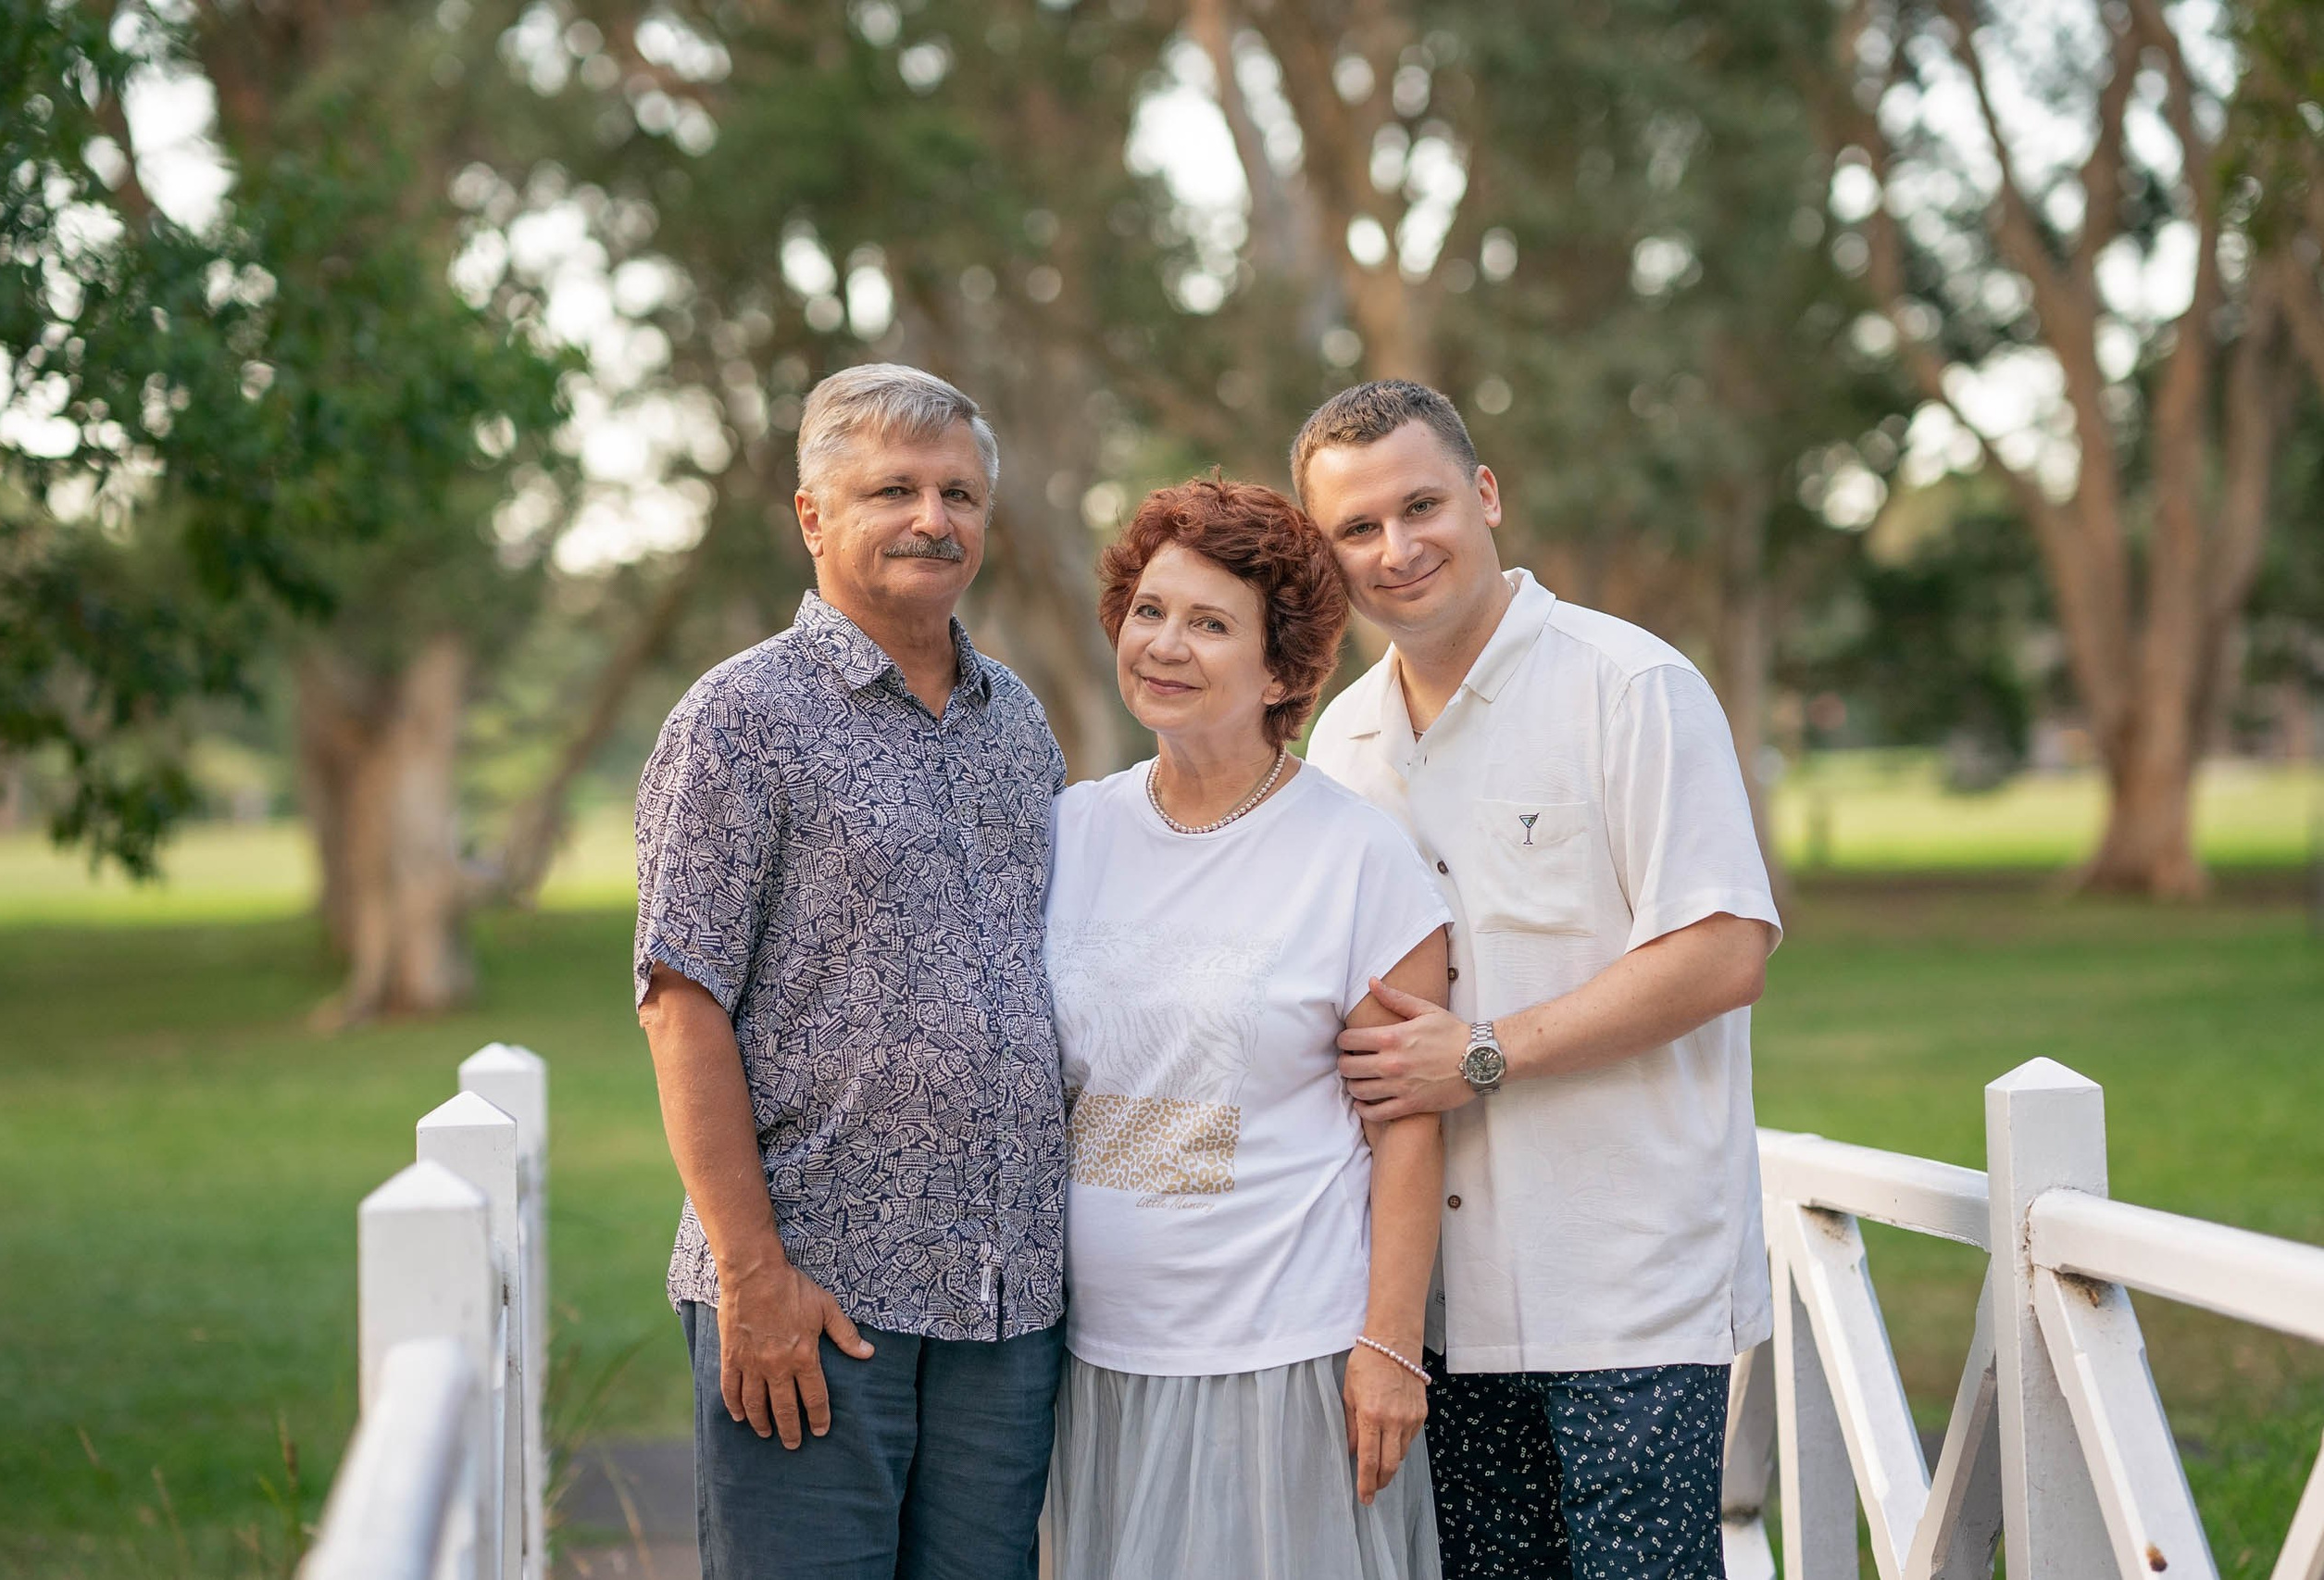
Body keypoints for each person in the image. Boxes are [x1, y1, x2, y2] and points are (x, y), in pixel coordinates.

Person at [1294, 380, 1782, 1579]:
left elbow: (1726, 945)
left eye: (1422, 506)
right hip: (1441, 1314)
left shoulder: (1629, 687)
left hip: (1624, 1286)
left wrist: (1483, 1049)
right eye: (1358, 529)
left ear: (1487, 494)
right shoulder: (1343, 743)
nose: (1397, 549)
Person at [631, 364, 1067, 1580]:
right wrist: (752, 1274)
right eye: (894, 489)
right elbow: (681, 1001)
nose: (935, 518)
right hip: (818, 1299)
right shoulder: (738, 720)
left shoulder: (1016, 722)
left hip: (1003, 1305)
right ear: (814, 516)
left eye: (960, 493)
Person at [1044, 477, 1453, 1580]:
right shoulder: (1068, 831)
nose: (1165, 645)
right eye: (1150, 610)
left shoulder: (1359, 857)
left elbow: (1407, 1126)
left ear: (1281, 669)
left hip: (1287, 1364)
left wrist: (1389, 1345)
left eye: (1210, 623)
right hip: (1096, 1363)